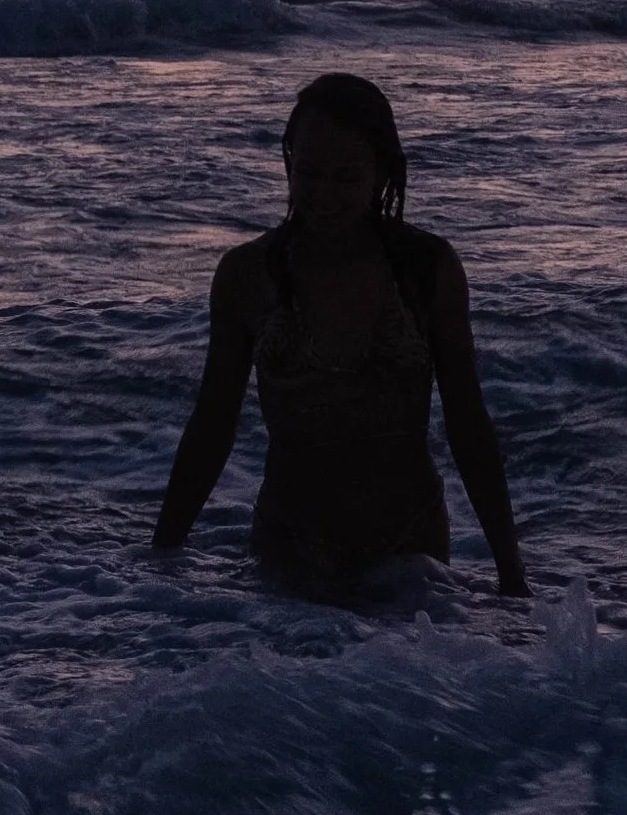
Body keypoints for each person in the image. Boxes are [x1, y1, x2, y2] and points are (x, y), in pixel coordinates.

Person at [151, 72, 529, 596]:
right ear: (287, 160)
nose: (323, 196)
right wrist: (161, 561)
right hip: (286, 559)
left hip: (410, 562)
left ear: (382, 173)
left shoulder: (425, 270)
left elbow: (468, 424)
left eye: (346, 178)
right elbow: (213, 426)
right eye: (308, 173)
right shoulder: (247, 274)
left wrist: (511, 575)